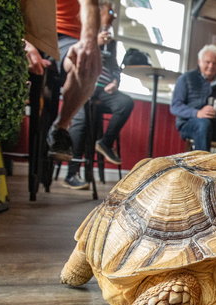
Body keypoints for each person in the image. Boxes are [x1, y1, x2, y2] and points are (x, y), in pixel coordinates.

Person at [64, 0, 134, 189]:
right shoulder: (81, 29)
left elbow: (115, 69)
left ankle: (104, 142)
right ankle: (72, 173)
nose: (113, 16)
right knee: (82, 120)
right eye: (110, 11)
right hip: (84, 84)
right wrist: (94, 41)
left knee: (126, 102)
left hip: (103, 90)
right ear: (99, 10)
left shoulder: (111, 42)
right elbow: (71, 55)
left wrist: (115, 82)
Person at [46, 0, 102, 163]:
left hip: (64, 37)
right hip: (25, 33)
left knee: (86, 62)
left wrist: (89, 41)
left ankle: (60, 128)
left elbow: (89, 4)